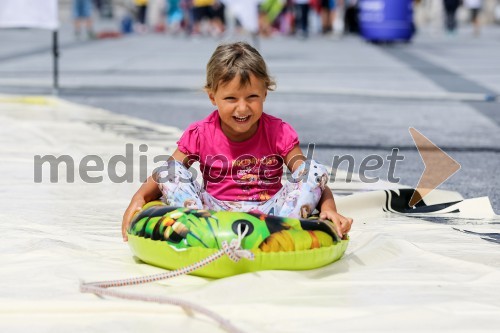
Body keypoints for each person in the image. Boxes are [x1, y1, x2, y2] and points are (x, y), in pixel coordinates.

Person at [121, 42, 353, 242]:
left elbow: (311, 179)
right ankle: (198, 229)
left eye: (252, 97)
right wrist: (139, 198)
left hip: (273, 214)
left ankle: (287, 230)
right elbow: (166, 173)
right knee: (169, 170)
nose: (242, 108)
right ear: (213, 97)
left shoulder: (278, 131)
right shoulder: (200, 133)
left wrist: (328, 208)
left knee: (312, 168)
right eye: (231, 98)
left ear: (265, 93)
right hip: (211, 214)